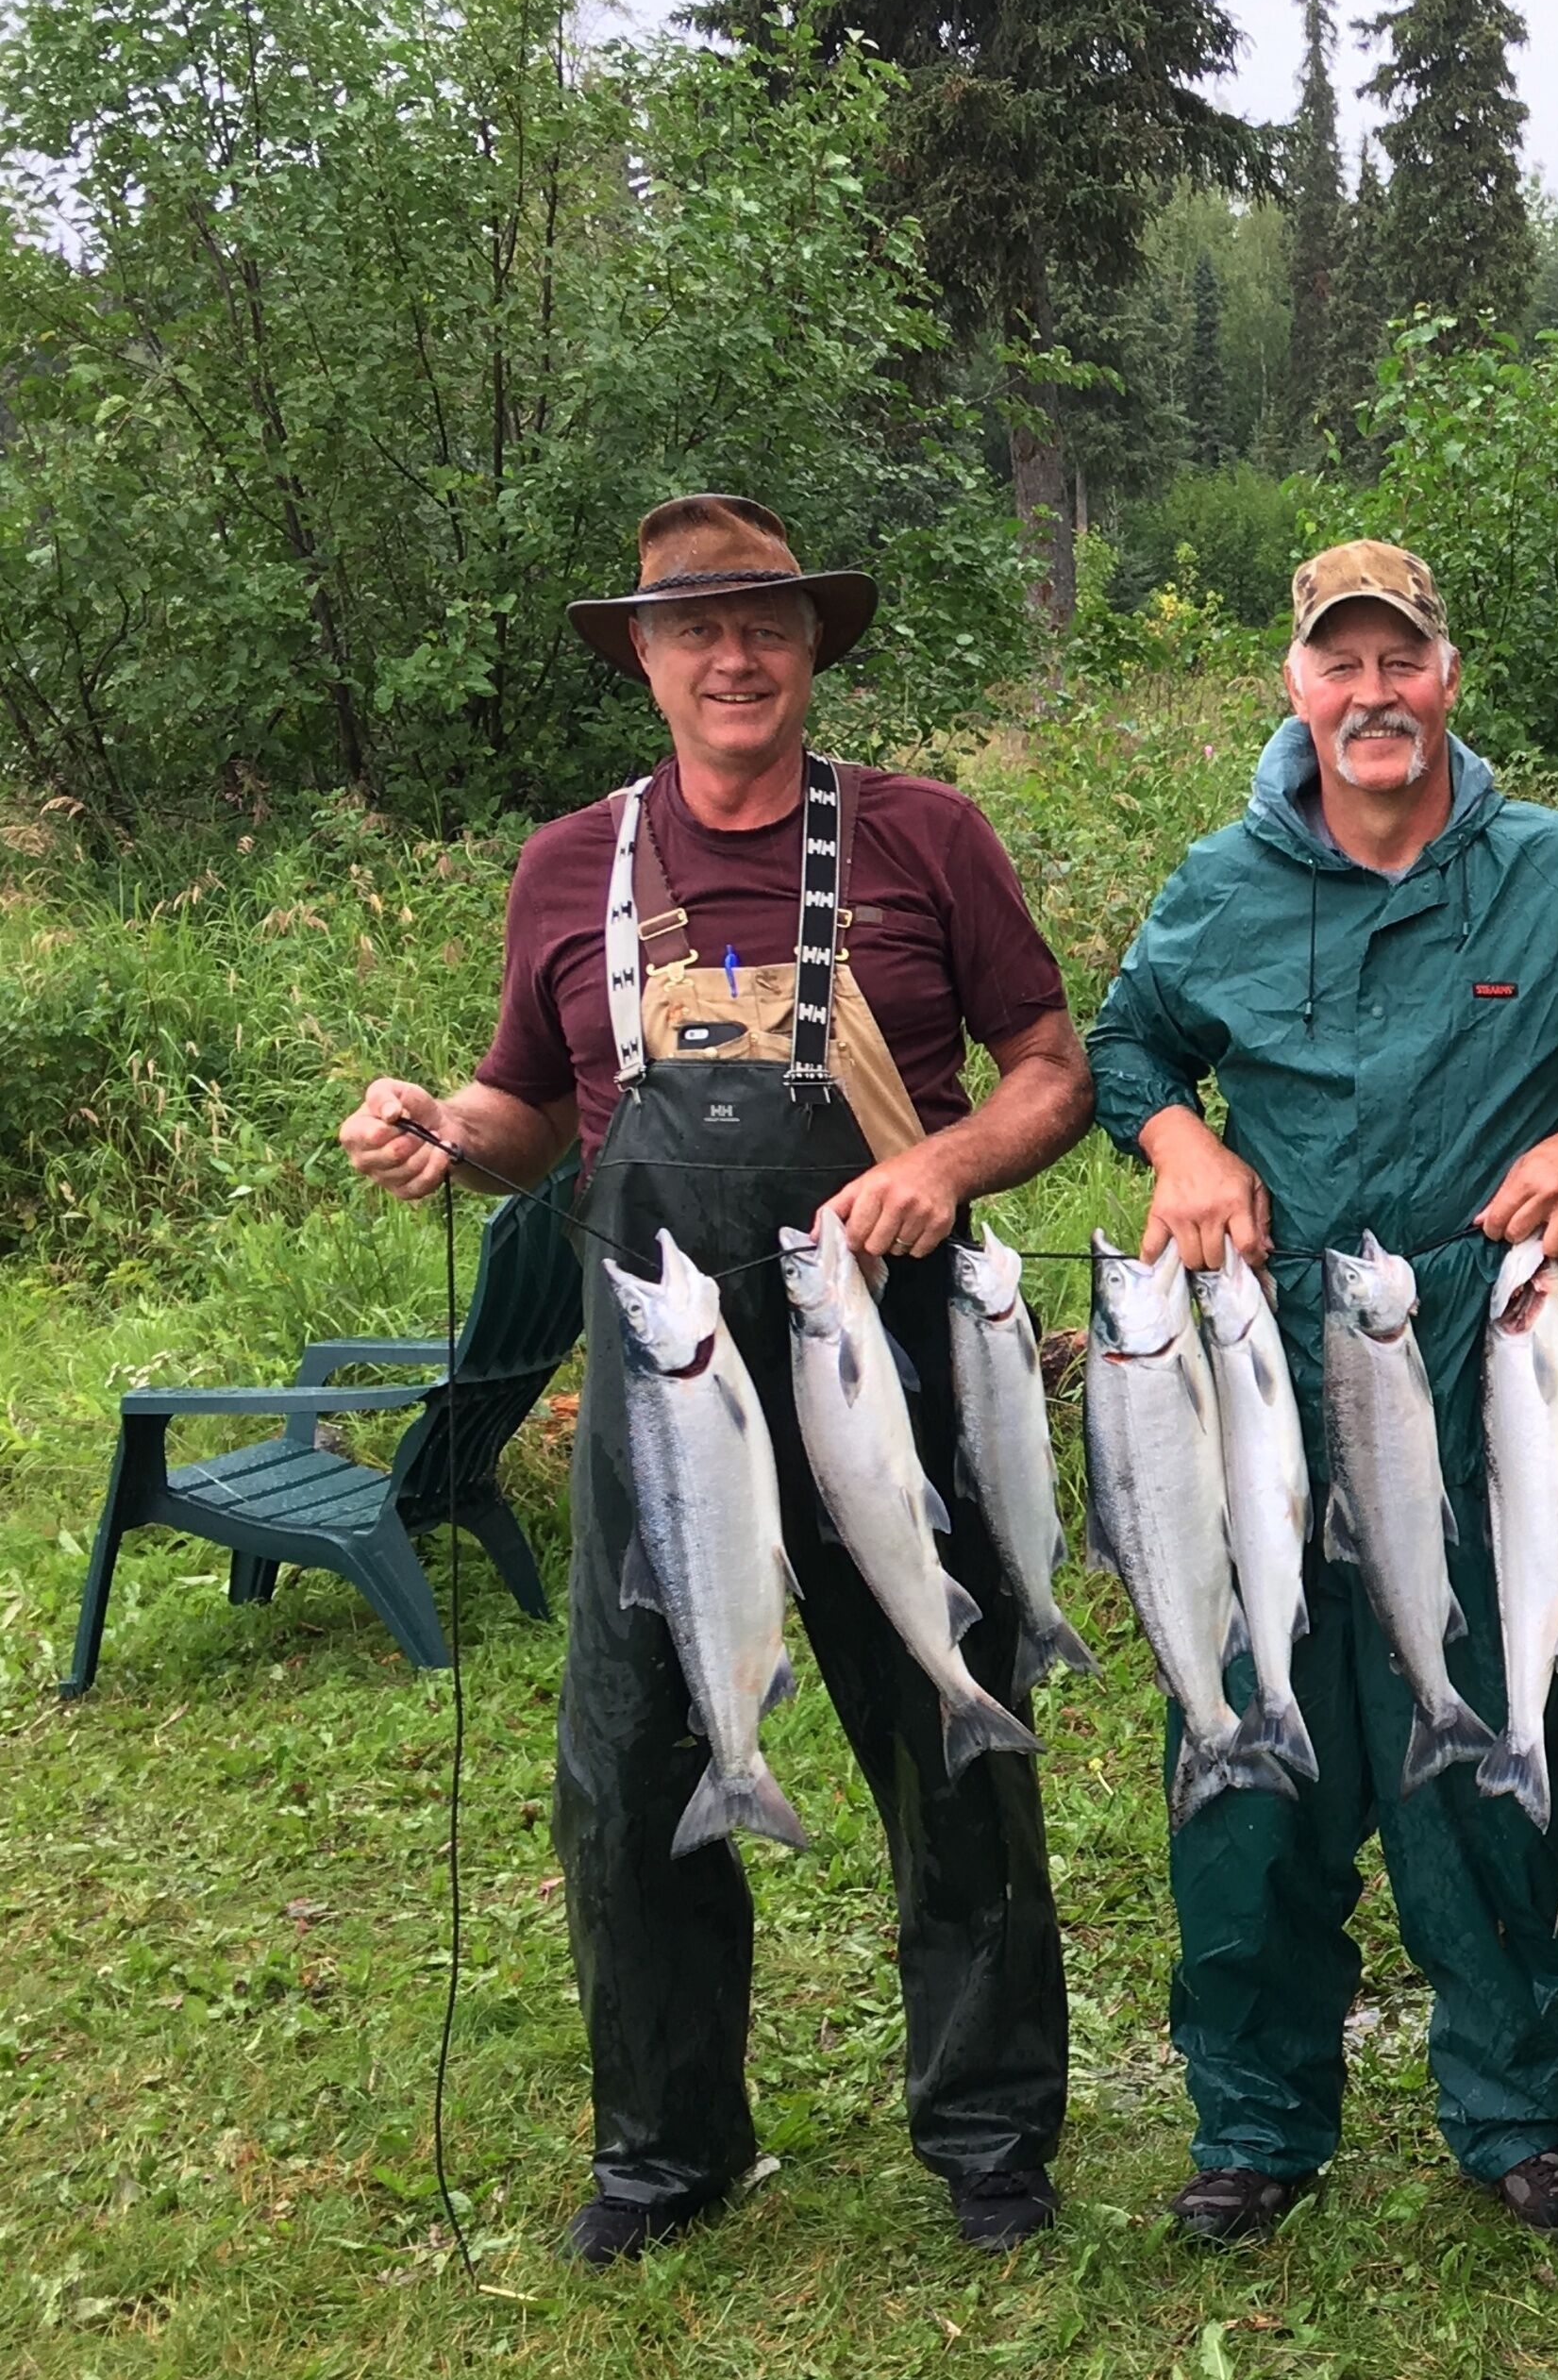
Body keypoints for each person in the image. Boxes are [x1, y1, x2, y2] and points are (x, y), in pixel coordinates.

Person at [341, 494, 1097, 2261]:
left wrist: (947, 1168)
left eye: (765, 622)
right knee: (625, 1767)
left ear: (814, 648)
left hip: (889, 1363)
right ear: (648, 661)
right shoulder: (565, 865)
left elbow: (1053, 1069)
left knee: (949, 1737)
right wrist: (447, 1132)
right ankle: (667, 2151)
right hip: (667, 1396)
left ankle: (989, 2139)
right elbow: (535, 1124)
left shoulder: (925, 840)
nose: (734, 654)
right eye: (694, 627)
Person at [1083, 540, 1558, 2253]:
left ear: (1449, 676)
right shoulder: (1219, 885)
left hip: (1494, 1352)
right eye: (1337, 664)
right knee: (1245, 1738)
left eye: (1402, 661)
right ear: (1295, 688)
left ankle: (1522, 2110)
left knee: (1496, 1730)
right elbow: (1125, 1047)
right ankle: (1257, 2122)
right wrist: (1182, 1139)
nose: (1372, 694)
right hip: (1267, 1368)